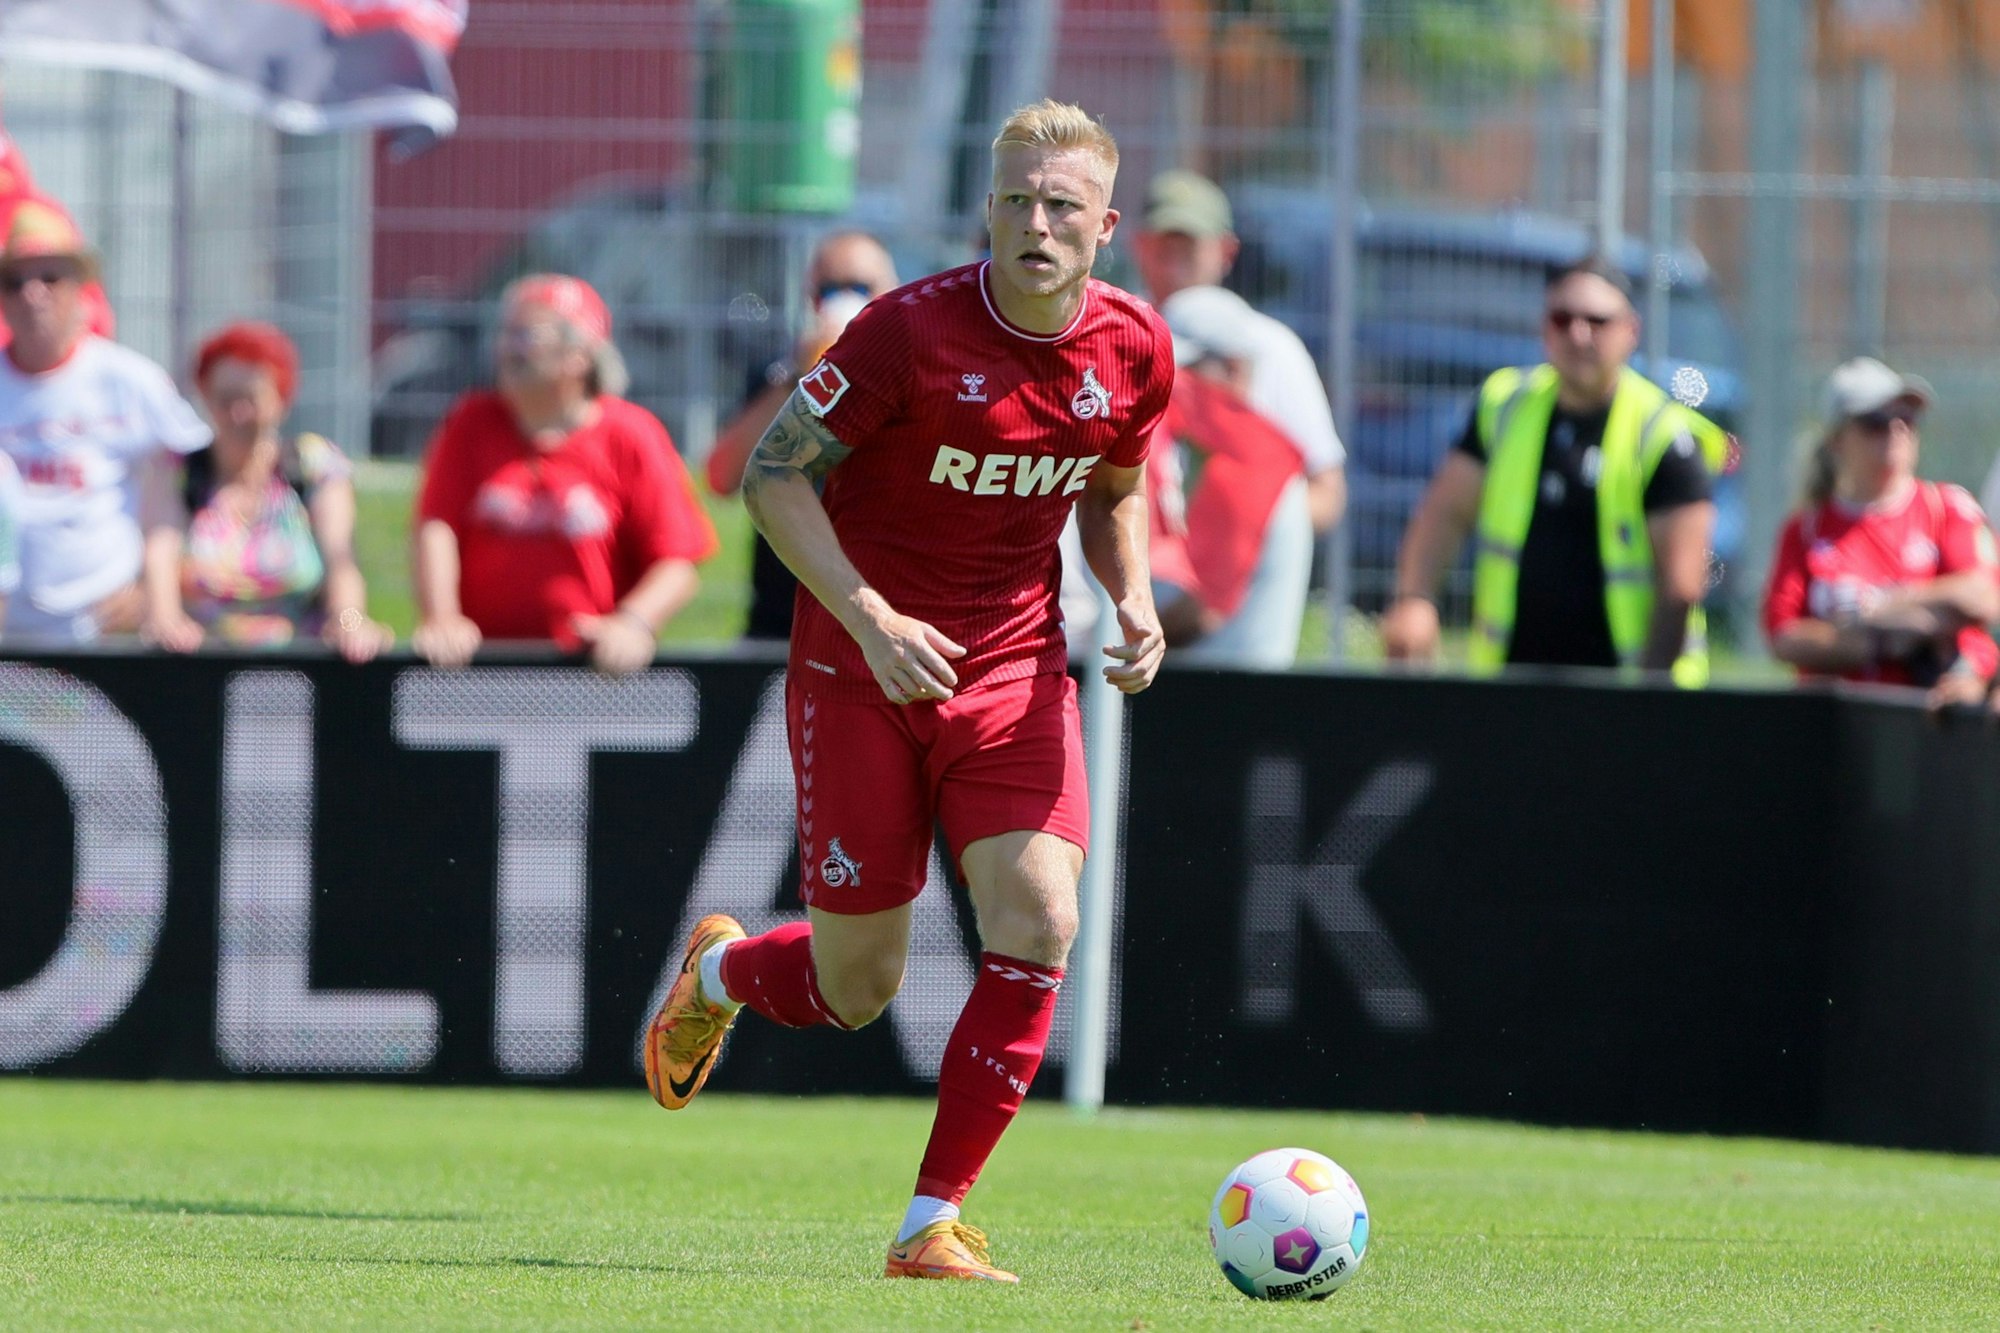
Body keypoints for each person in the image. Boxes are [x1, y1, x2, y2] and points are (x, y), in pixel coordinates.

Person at [642, 99, 1174, 1283]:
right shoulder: (904, 334)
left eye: (1060, 207)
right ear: (985, 210)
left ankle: (926, 1222)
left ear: (1105, 227)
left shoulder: (1133, 346)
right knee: (856, 989)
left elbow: (1114, 484)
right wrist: (869, 618)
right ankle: (723, 973)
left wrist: (1129, 595)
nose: (1033, 224)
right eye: (1014, 202)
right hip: (860, 668)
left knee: (1040, 917)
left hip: (1015, 665)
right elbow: (773, 479)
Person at [1382, 255, 1725, 684]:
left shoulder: (1660, 435)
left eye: (1596, 321)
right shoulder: (1505, 406)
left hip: (1620, 690)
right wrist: (1415, 598)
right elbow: (1445, 510)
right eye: (1562, 319)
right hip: (1513, 688)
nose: (1578, 334)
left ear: (1630, 332)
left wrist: (1647, 702)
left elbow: (1681, 587)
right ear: (1544, 328)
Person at [411, 274, 718, 676]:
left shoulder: (630, 434)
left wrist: (633, 623)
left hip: (589, 676)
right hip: (478, 671)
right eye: (505, 332)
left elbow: (677, 560)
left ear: (580, 355)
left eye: (527, 334)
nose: (507, 347)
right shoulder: (471, 422)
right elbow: (436, 527)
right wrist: (442, 618)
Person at [0, 201, 211, 645]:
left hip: (106, 630)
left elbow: (204, 473)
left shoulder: (128, 379)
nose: (31, 294)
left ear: (81, 287)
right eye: (14, 281)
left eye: (49, 277)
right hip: (8, 633)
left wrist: (158, 584)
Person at [141, 321, 391, 660]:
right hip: (200, 667)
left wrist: (350, 622)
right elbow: (160, 554)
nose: (238, 413)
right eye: (225, 399)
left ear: (279, 399)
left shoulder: (314, 465)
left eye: (251, 400)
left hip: (301, 669)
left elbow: (342, 564)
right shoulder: (178, 472)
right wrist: (166, 620)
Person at [1764, 358, 2000, 703]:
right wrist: (1879, 639)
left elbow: (1982, 596)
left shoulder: (1946, 508)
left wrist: (1886, 605)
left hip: (1930, 714)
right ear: (1837, 440)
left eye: (1906, 419)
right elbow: (1784, 635)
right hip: (1838, 724)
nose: (1895, 433)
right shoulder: (1806, 530)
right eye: (1875, 423)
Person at [708, 231, 899, 640]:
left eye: (860, 287)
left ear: (892, 290)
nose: (843, 298)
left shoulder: (915, 373)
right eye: (829, 289)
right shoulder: (778, 370)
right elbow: (720, 478)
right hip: (782, 619)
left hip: (885, 617)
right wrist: (799, 376)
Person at [1133, 169, 1345, 535]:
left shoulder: (1273, 348)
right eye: (1163, 245)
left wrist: (1244, 528)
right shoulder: (1115, 337)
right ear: (1138, 244)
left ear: (1226, 251)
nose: (1173, 261)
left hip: (1238, 585)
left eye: (1188, 246)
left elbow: (1327, 493)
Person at [1150, 308, 1310, 667]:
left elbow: (1201, 611)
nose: (1167, 383)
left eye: (1183, 371)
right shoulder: (1227, 455)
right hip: (1221, 687)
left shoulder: (1252, 459)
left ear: (1234, 369)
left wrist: (1097, 642)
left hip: (1227, 699)